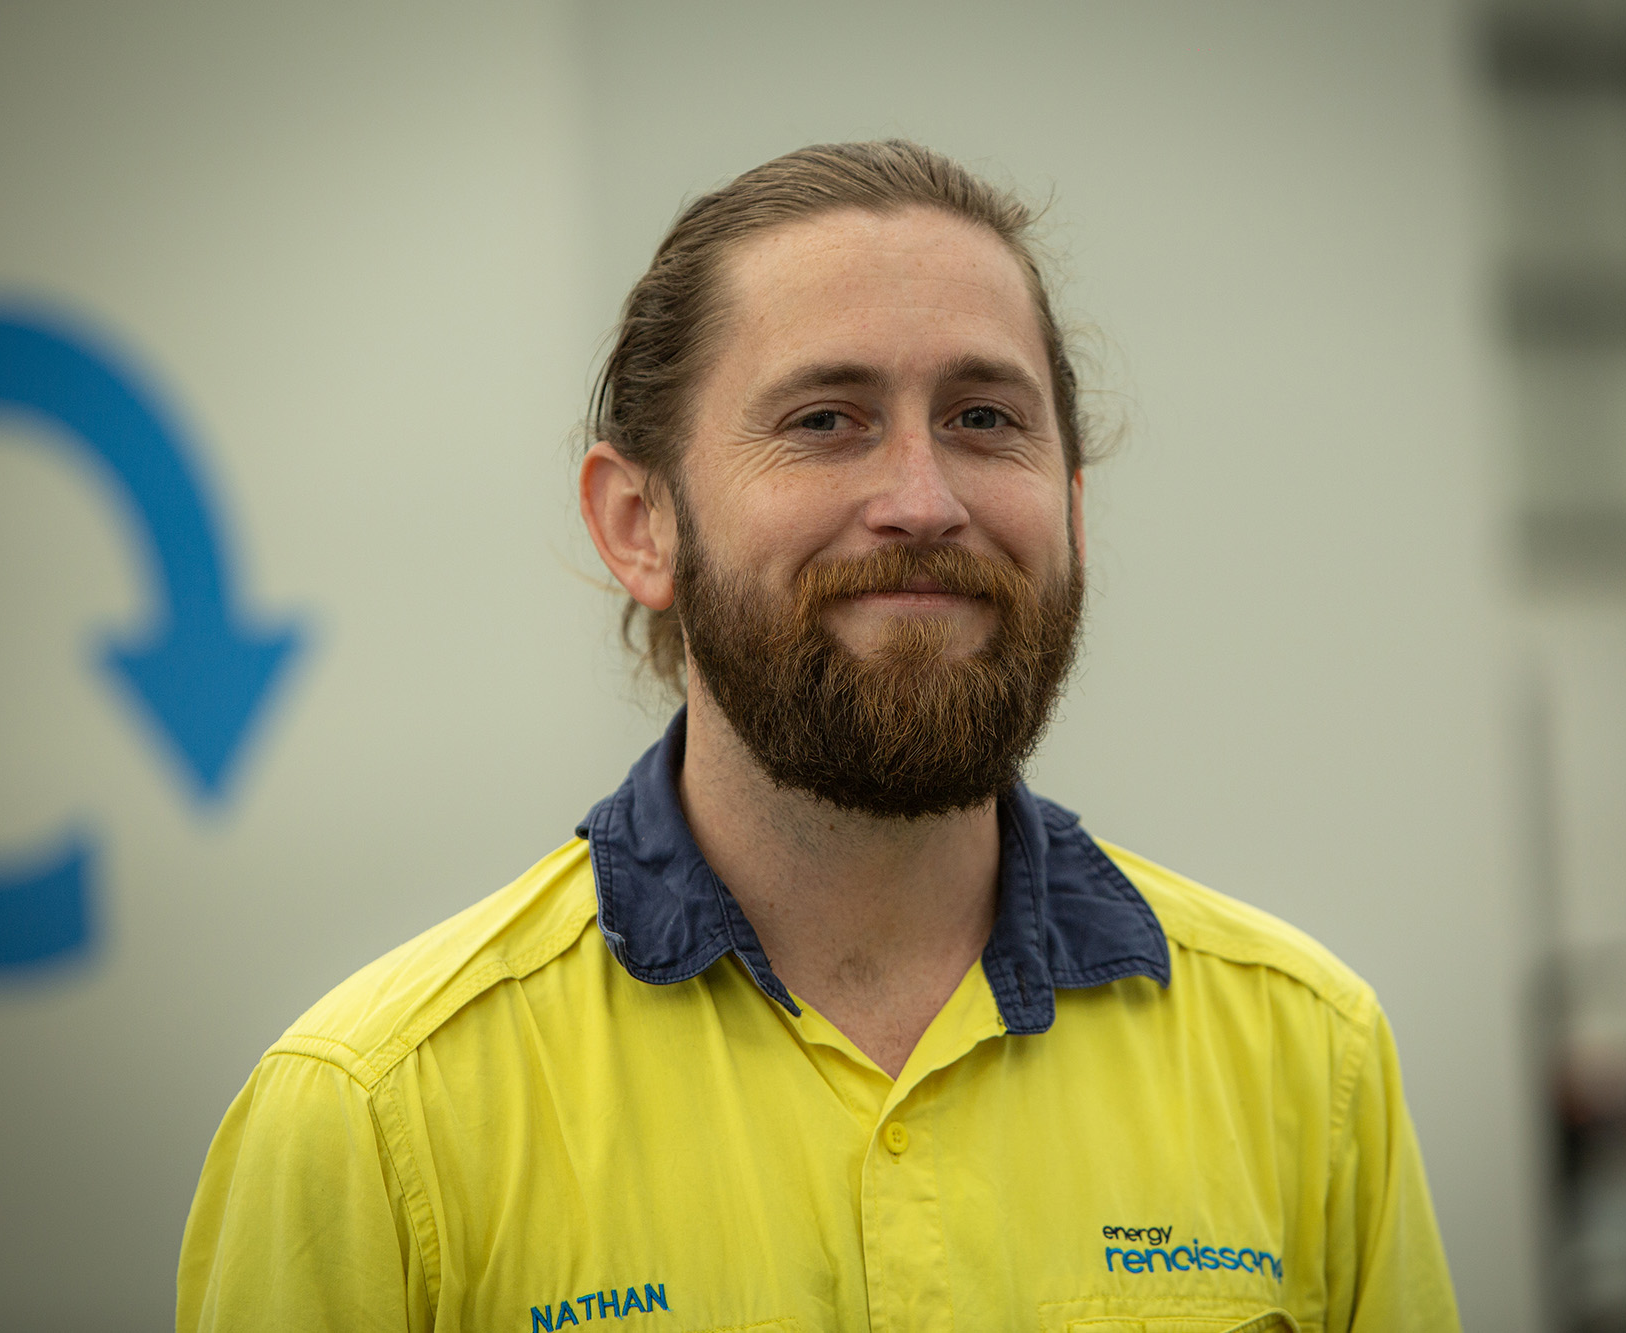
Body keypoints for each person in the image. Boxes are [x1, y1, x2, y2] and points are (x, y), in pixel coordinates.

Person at [178, 140, 1460, 1333]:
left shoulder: (1304, 1056)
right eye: (823, 421)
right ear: (640, 524)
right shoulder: (372, 1114)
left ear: (1070, 506)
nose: (921, 500)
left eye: (982, 418)